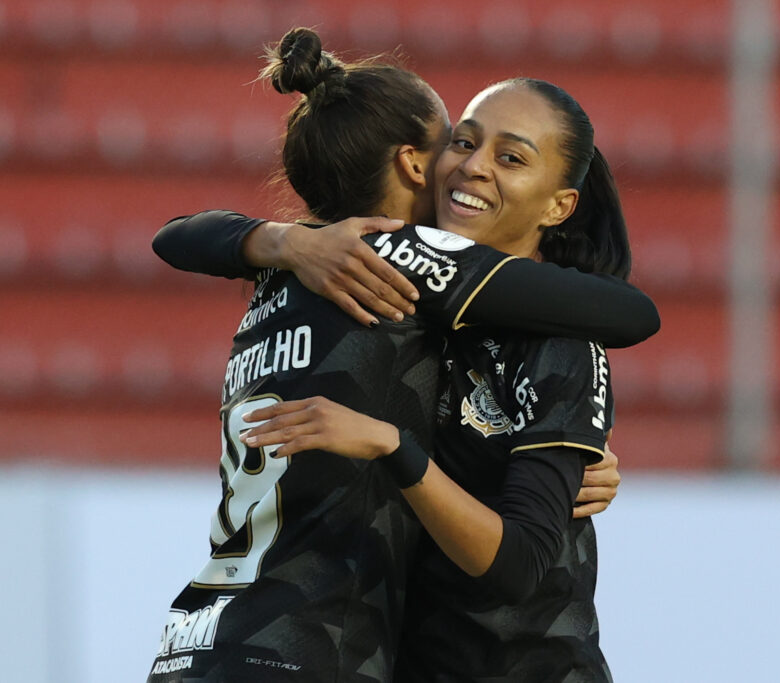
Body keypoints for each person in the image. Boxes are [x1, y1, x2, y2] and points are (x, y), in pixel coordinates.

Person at [147, 28, 656, 683]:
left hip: (202, 639)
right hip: (304, 651)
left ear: (561, 203)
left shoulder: (286, 272)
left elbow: (173, 236)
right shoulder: (406, 259)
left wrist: (559, 443)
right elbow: (634, 313)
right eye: (460, 143)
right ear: (417, 163)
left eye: (509, 157)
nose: (468, 167)